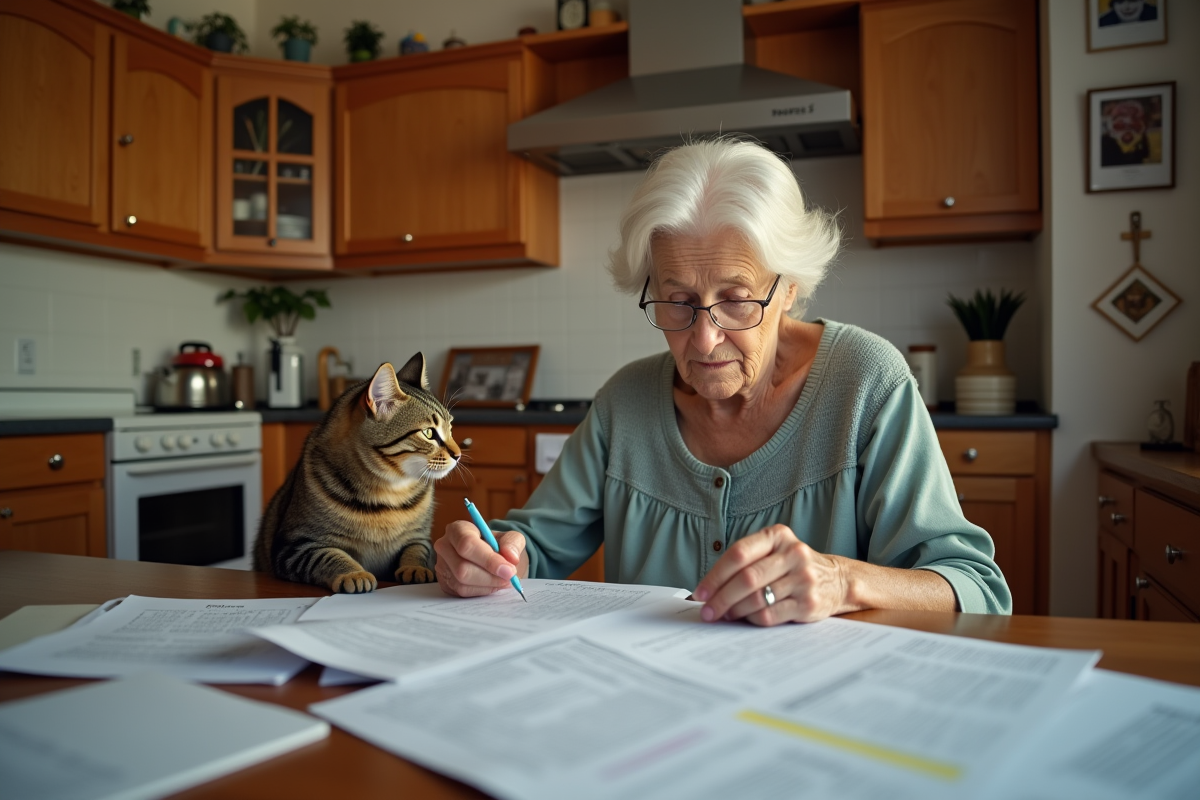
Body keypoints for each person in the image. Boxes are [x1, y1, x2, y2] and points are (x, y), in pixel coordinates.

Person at [435, 139, 1011, 624]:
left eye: (735, 301)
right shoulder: (626, 402)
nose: (704, 338)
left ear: (789, 289)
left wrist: (841, 581)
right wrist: (488, 555)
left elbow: (977, 589)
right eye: (677, 301)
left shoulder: (866, 382)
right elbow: (533, 547)